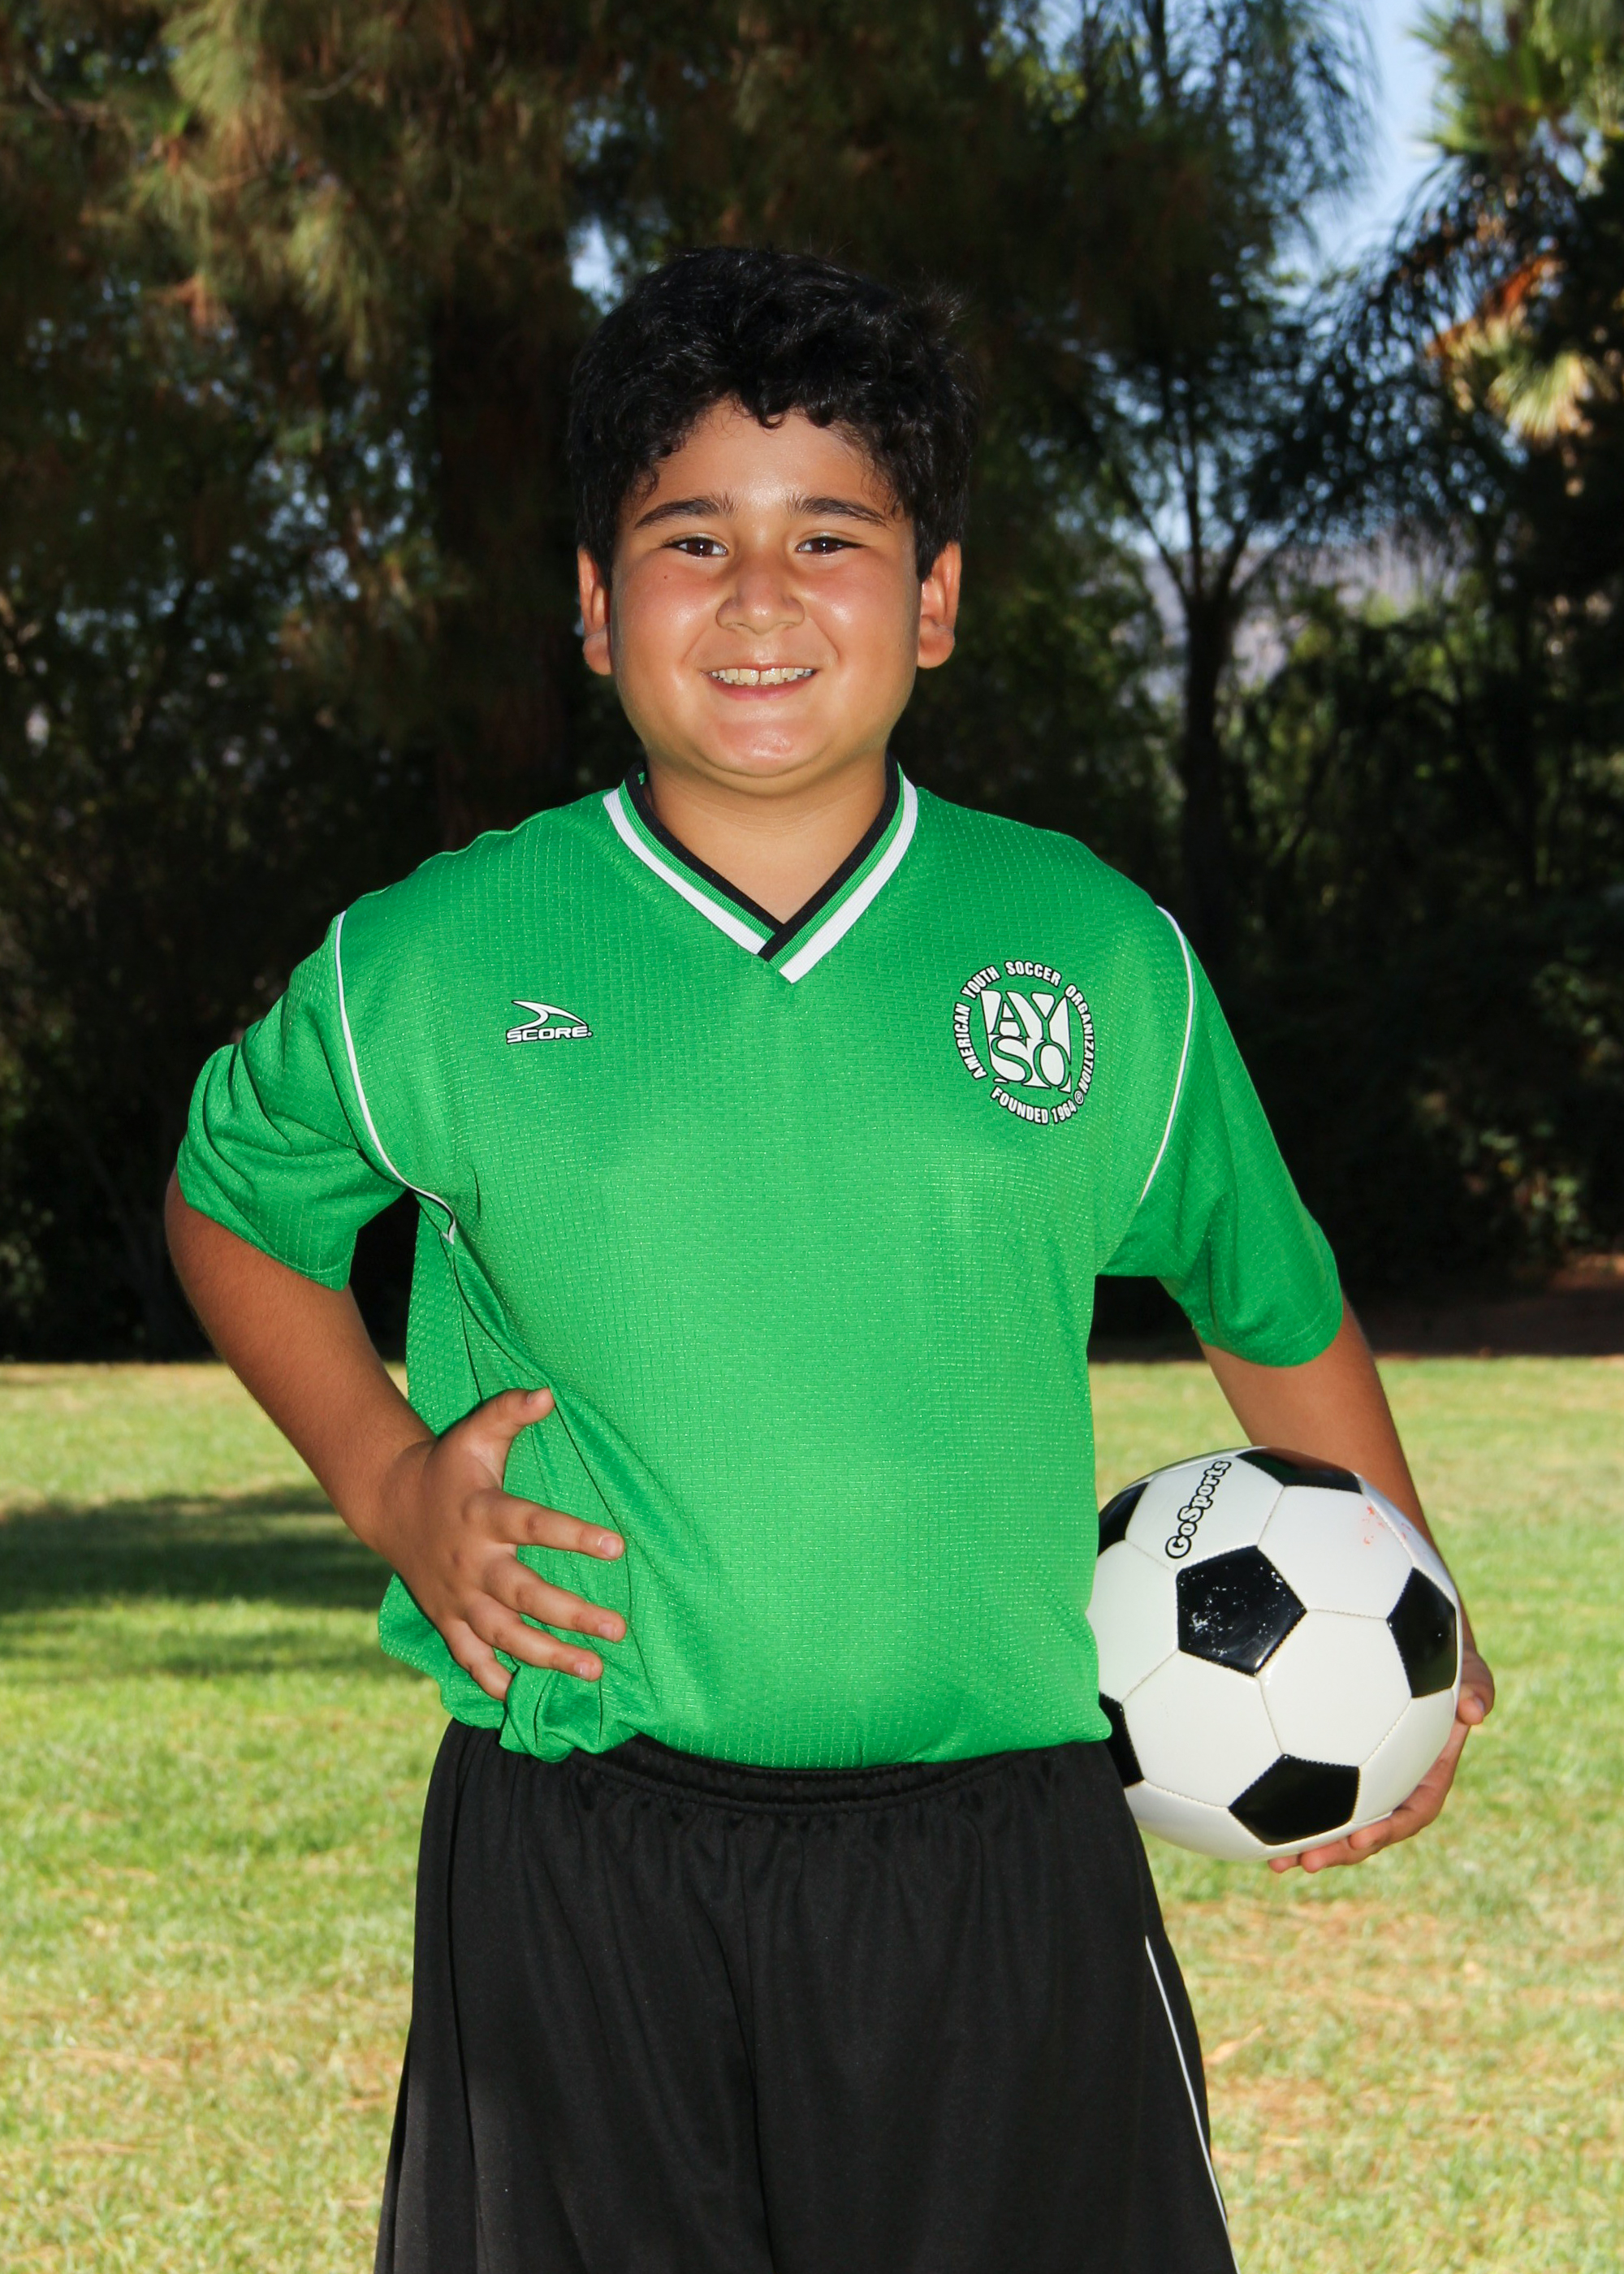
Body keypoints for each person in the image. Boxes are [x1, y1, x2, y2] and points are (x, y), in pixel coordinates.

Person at [166, 246, 1494, 2274]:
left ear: (934, 598)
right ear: (596, 603)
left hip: (1001, 1863)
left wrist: (1410, 1607)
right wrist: (384, 1477)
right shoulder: (437, 960)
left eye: (831, 537)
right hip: (579, 1854)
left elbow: (1269, 1296)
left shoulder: (1091, 954)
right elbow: (231, 1201)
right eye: (691, 538)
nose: (761, 597)